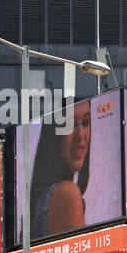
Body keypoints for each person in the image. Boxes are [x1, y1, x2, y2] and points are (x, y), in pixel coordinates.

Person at [29, 100, 91, 238]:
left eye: (86, 122)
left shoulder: (42, 199)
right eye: (70, 125)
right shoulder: (66, 194)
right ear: (53, 134)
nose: (80, 136)